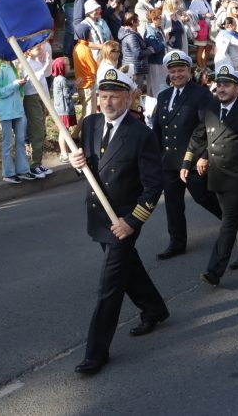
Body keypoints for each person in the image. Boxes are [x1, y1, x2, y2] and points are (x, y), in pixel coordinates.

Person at [68, 68, 167, 376]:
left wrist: (131, 223)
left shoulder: (141, 135)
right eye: (104, 96)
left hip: (122, 219)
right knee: (129, 268)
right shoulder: (91, 123)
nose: (108, 102)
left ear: (128, 98)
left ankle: (96, 354)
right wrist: (76, 164)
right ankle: (154, 308)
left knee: (109, 287)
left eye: (114, 96)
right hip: (99, 216)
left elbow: (153, 186)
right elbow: (88, 168)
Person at [154, 51, 238, 260]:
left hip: (194, 161)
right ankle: (177, 243)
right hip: (170, 161)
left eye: (181, 70)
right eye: (173, 71)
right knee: (173, 204)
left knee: (207, 200)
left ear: (189, 71)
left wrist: (206, 155)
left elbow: (211, 127)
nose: (177, 74)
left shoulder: (201, 94)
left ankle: (237, 230)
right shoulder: (163, 96)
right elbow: (157, 130)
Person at [181, 64, 238, 287]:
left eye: (227, 85)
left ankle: (214, 270)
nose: (221, 89)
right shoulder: (210, 109)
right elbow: (198, 137)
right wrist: (187, 161)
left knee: (228, 222)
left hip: (237, 176)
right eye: (219, 84)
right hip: (216, 174)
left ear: (237, 88)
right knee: (234, 215)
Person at [0, 59, 37, 183]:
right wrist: (14, 84)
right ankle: (8, 173)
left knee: (21, 140)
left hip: (18, 111)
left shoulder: (13, 68)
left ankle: (23, 170)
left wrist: (20, 84)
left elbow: (15, 89)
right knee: (7, 142)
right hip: (5, 113)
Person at [21, 43, 53, 178]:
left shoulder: (37, 62)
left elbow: (44, 85)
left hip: (40, 98)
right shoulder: (26, 63)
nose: (41, 50)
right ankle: (34, 165)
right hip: (32, 98)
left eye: (41, 47)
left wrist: (47, 102)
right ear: (29, 51)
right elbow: (30, 81)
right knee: (37, 131)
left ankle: (38, 163)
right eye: (38, 48)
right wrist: (44, 68)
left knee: (40, 130)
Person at [51, 57, 77, 163]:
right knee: (64, 132)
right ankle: (64, 153)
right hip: (64, 110)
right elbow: (67, 95)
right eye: (67, 65)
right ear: (62, 67)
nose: (69, 67)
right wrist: (75, 86)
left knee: (64, 131)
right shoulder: (62, 80)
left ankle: (65, 152)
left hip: (59, 109)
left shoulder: (57, 79)